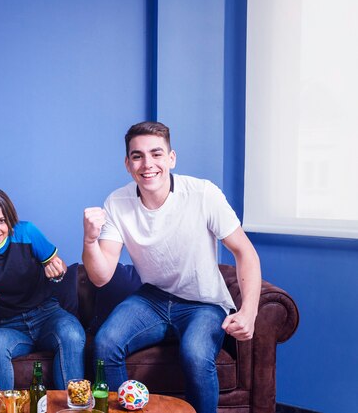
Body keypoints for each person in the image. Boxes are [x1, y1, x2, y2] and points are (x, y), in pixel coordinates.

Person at [82, 122, 261, 413]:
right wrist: (90, 240)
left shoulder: (203, 194)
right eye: (137, 156)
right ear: (128, 164)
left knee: (195, 354)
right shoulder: (116, 202)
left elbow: (246, 252)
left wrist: (249, 310)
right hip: (152, 298)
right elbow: (101, 277)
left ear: (171, 158)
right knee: (105, 344)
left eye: (156, 154)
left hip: (204, 303)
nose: (147, 164)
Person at [0, 187, 85, 390]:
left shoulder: (27, 232)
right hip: (8, 325)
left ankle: (71, 408)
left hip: (47, 314)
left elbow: (61, 267)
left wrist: (57, 271)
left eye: (1, 221)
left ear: (10, 220)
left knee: (72, 334)